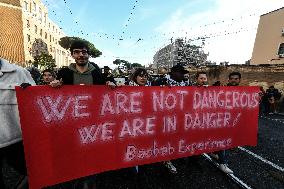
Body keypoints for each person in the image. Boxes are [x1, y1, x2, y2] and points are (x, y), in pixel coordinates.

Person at [49, 40, 112, 188]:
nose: (81, 55)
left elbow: (109, 83)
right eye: (77, 52)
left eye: (84, 52)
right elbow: (53, 94)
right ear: (72, 55)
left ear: (88, 55)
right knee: (74, 151)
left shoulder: (97, 72)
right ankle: (75, 175)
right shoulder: (64, 73)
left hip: (94, 122)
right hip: (71, 122)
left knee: (92, 151)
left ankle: (91, 178)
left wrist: (110, 82)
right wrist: (52, 86)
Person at [0, 58, 35, 189]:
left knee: (33, 173)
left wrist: (31, 91)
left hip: (16, 139)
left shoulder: (19, 72)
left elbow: (36, 101)